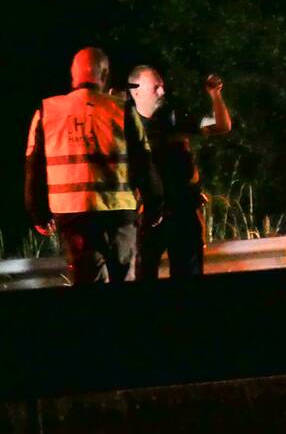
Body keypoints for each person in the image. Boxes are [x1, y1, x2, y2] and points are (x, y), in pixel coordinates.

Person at [25, 47, 163, 285]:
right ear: (104, 73)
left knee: (88, 285)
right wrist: (154, 206)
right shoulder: (122, 110)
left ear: (73, 75)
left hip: (73, 216)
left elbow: (34, 168)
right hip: (118, 215)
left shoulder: (47, 111)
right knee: (124, 283)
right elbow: (143, 163)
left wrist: (37, 212)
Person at [128, 66, 232, 281]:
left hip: (183, 209)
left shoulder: (175, 117)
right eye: (155, 88)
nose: (161, 92)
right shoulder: (126, 124)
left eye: (162, 87)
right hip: (146, 214)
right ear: (135, 91)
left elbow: (222, 126)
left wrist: (215, 96)